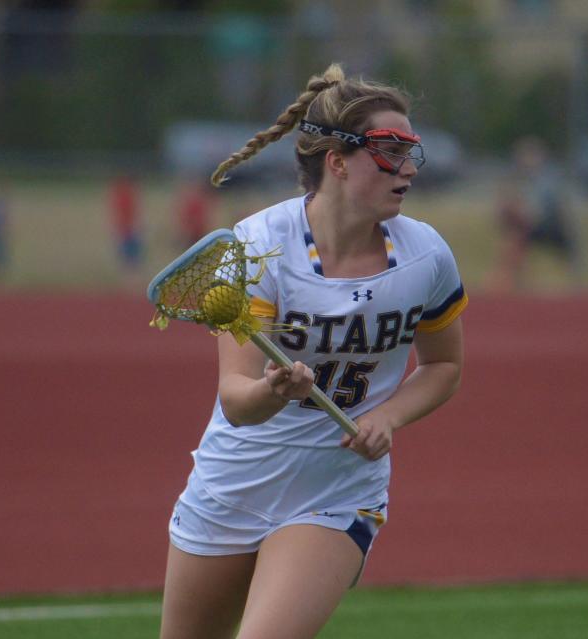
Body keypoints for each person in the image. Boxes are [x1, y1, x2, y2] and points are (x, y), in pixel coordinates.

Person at [159, 63, 467, 639]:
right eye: (388, 151)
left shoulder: (427, 256)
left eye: (411, 152)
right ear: (337, 161)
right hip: (233, 484)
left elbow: (445, 365)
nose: (407, 170)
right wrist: (273, 391)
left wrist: (387, 416)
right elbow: (237, 401)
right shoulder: (259, 247)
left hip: (335, 492)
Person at [484, 135, 582, 293]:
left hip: (550, 226)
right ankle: (511, 282)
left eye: (531, 156)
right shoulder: (517, 179)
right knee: (515, 237)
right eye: (524, 157)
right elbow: (504, 208)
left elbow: (546, 210)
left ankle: (575, 285)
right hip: (528, 228)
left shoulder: (548, 179)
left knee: (520, 234)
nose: (527, 161)